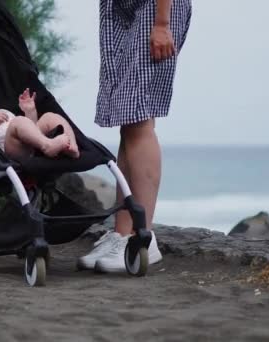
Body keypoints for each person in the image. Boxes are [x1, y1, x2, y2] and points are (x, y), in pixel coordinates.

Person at [77, 0, 192, 272]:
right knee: (128, 121)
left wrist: (162, 23)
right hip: (121, 10)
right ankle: (122, 235)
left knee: (139, 120)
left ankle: (143, 239)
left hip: (153, 8)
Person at [0, 82, 80, 159]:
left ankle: (72, 146)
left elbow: (31, 128)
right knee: (17, 122)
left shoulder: (4, 112)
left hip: (32, 144)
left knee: (50, 117)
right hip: (12, 151)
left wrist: (29, 111)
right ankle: (48, 145)